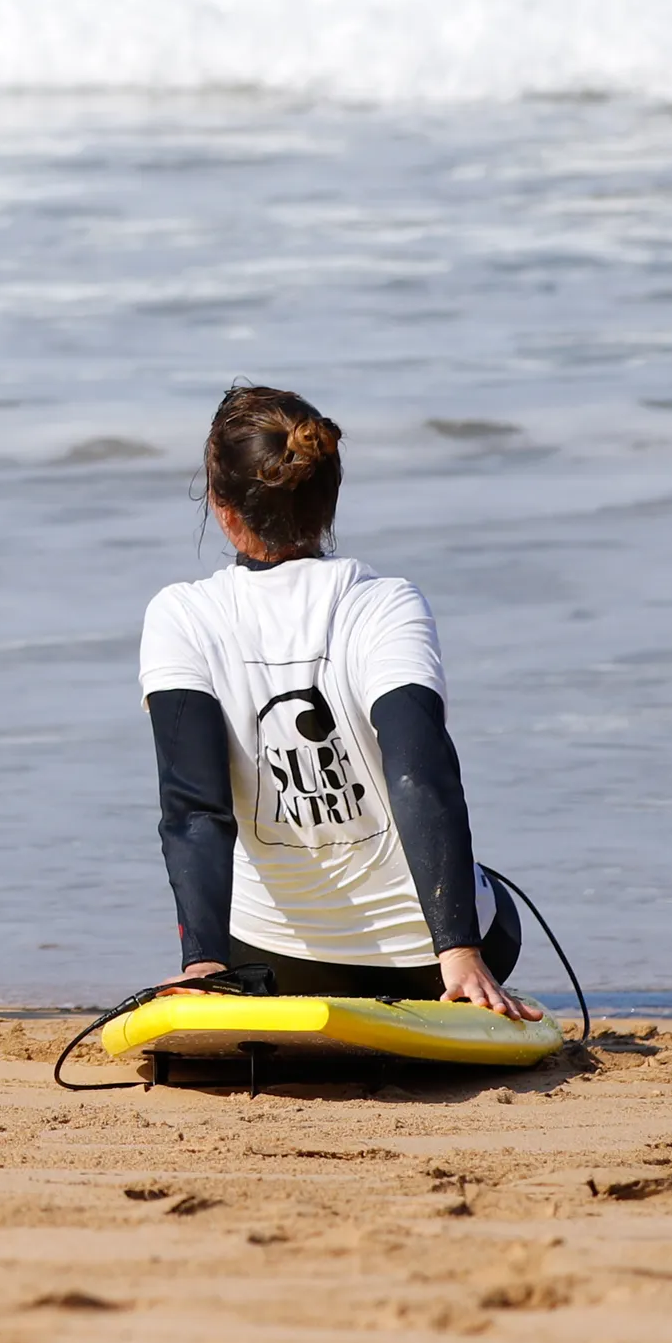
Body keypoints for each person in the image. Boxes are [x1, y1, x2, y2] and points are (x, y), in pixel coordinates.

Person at [140, 383, 541, 1016]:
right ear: (329, 500)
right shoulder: (386, 604)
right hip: (424, 966)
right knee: (506, 909)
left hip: (270, 964)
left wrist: (207, 968)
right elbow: (421, 778)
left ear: (221, 506)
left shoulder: (180, 616)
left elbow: (193, 810)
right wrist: (461, 951)